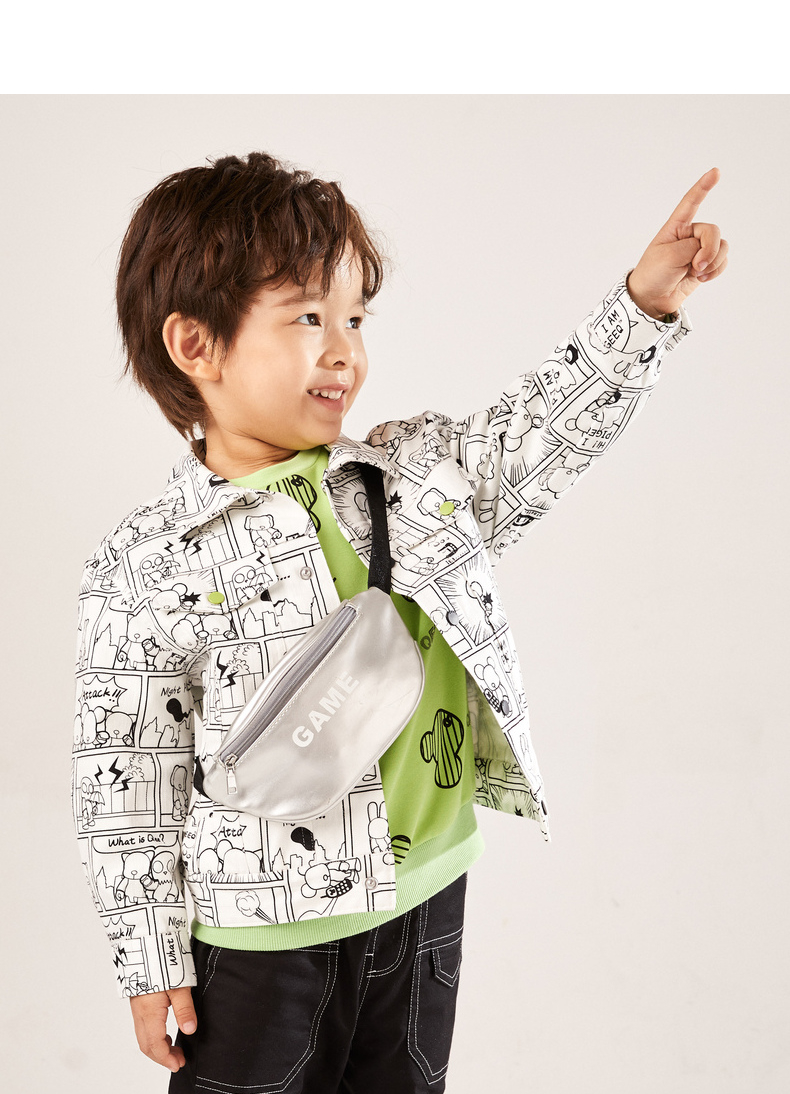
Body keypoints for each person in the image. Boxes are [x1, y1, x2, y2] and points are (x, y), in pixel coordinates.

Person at [71, 151, 727, 1092]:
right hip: (261, 936)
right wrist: (148, 956)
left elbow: (534, 438)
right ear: (195, 345)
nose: (345, 350)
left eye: (355, 318)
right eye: (308, 317)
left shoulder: (407, 479)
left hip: (426, 904)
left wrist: (644, 307)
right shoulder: (147, 561)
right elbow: (126, 774)